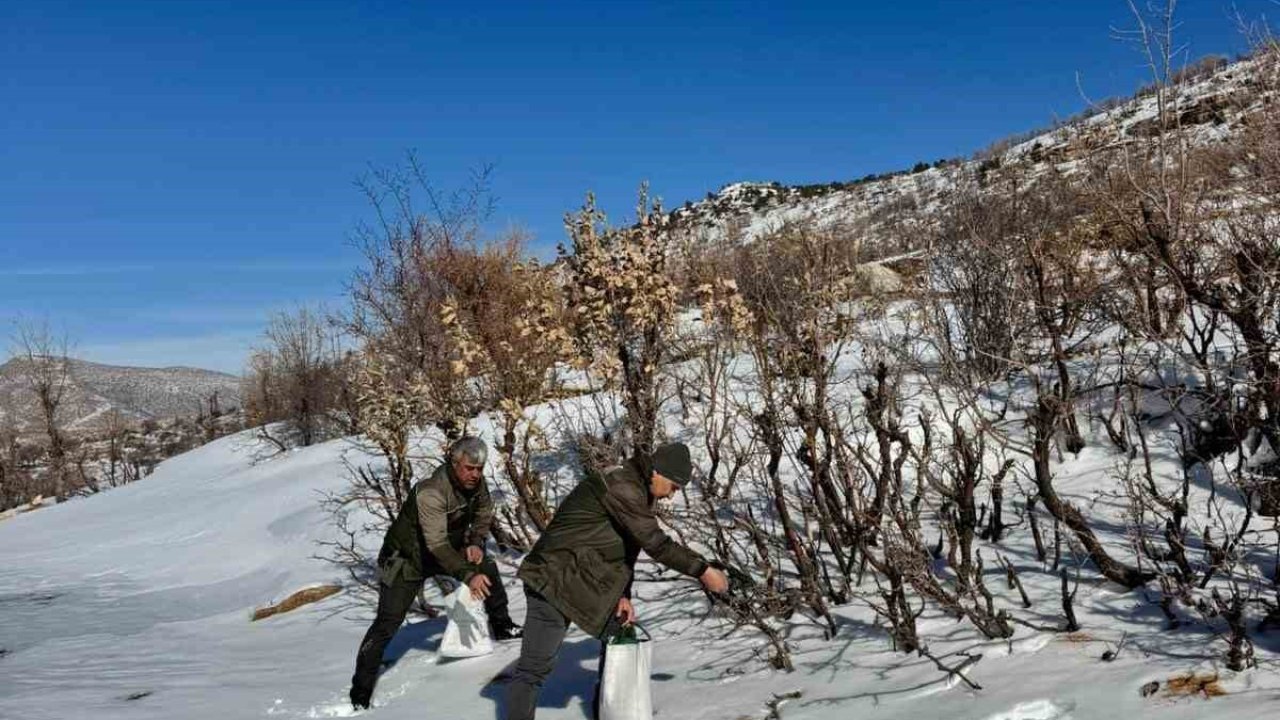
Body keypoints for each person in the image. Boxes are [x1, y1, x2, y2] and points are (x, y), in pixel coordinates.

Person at [506, 441, 729, 720]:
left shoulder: (636, 487)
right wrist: (703, 571)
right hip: (552, 577)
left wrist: (623, 595)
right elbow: (655, 544)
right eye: (674, 487)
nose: (672, 496)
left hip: (580, 579)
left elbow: (625, 550)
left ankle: (610, 711)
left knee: (617, 635)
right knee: (533, 669)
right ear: (658, 472)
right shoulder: (623, 487)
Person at [350, 436, 522, 710]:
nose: (475, 474)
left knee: (486, 566)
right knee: (387, 622)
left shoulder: (476, 485)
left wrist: (476, 542)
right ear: (454, 464)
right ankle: (360, 691)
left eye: (479, 469)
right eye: (469, 468)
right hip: (406, 560)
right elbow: (437, 545)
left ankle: (502, 625)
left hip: (442, 551)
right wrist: (467, 575)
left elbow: (484, 512)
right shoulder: (430, 491)